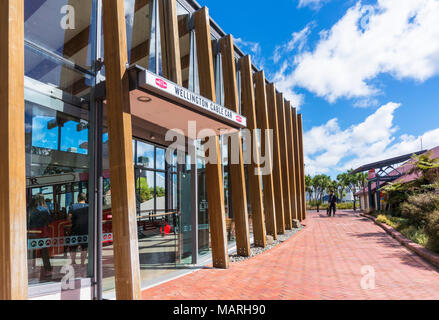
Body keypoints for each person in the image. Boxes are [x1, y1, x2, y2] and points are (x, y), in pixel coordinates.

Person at [28, 194, 53, 275]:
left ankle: (31, 268)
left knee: (32, 250)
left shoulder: (29, 209)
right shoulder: (45, 209)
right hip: (43, 232)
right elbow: (49, 220)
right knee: (44, 251)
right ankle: (48, 269)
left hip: (32, 232)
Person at [68, 193, 89, 265]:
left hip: (75, 229)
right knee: (84, 247)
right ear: (85, 199)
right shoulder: (88, 206)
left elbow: (69, 218)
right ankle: (82, 263)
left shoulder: (73, 206)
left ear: (78, 198)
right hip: (86, 229)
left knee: (73, 247)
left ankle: (73, 261)